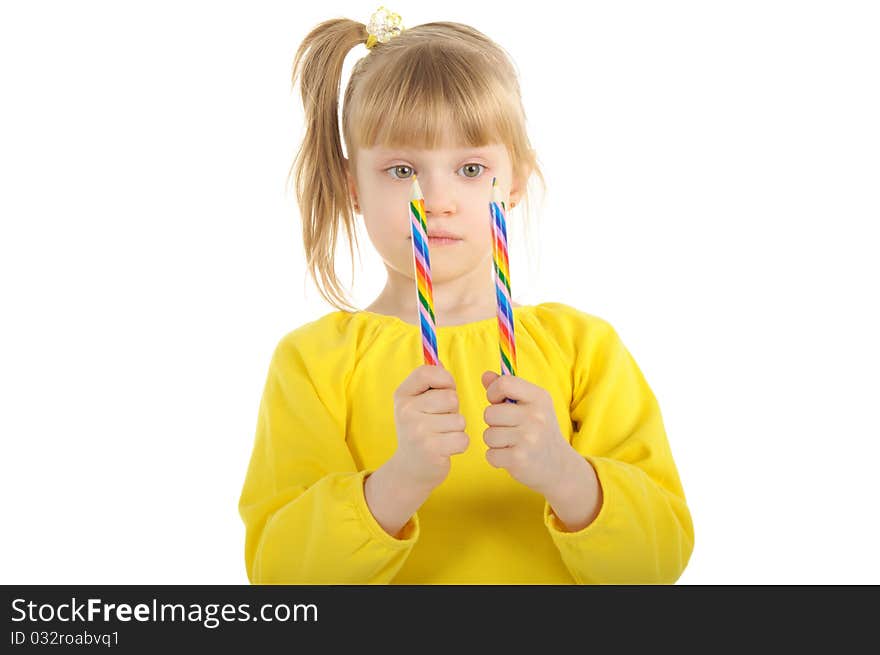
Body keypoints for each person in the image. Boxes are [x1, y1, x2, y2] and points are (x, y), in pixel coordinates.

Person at [237, 7, 694, 584]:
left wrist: (564, 473)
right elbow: (283, 579)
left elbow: (655, 565)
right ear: (354, 188)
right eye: (402, 170)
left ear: (518, 179)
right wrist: (399, 481)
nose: (438, 198)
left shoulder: (584, 349)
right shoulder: (315, 364)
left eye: (472, 167)